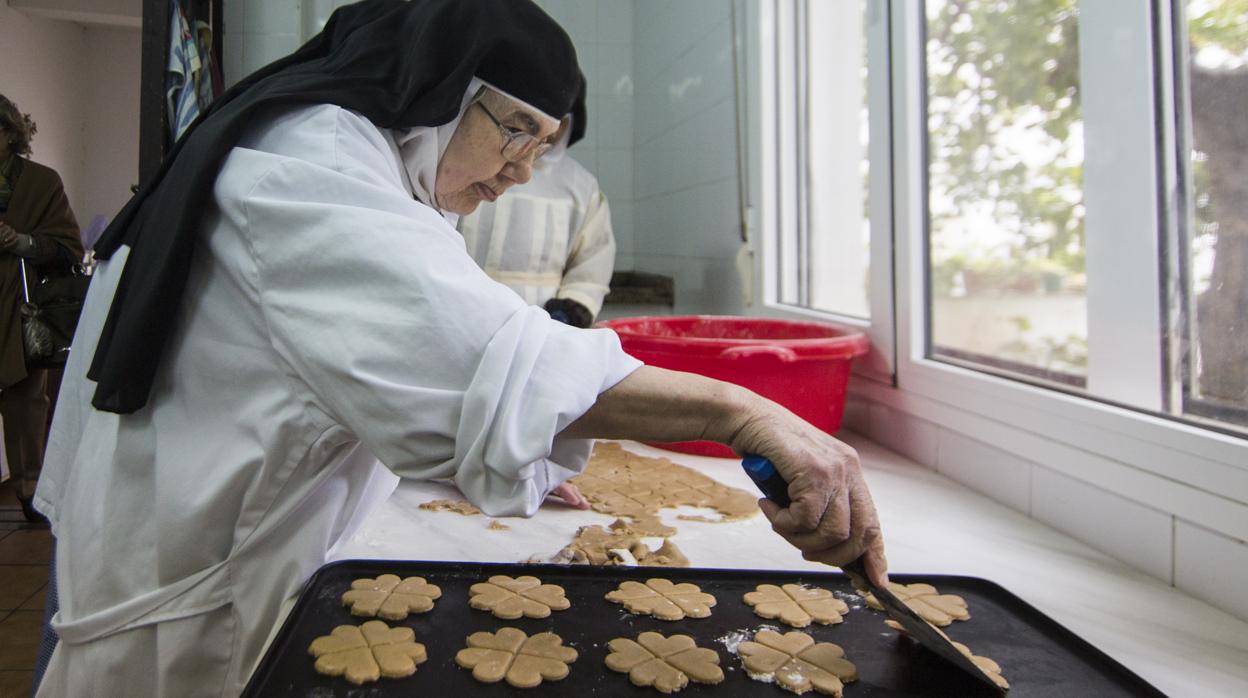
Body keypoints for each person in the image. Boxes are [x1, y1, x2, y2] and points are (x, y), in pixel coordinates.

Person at [33, 1, 886, 695]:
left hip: (203, 560)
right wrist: (742, 410)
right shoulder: (310, 163)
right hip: (184, 622)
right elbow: (480, 355)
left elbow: (372, 368)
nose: (522, 170)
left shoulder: (337, 154)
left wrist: (533, 435)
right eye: (517, 129)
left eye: (543, 147)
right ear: (438, 87)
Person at [457, 85, 615, 328]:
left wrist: (569, 312)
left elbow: (592, 263)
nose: (520, 174)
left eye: (558, 122)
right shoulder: (475, 165)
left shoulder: (581, 187)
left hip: (544, 330)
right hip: (464, 317)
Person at [0, 94, 83, 524]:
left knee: (26, 399)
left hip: (21, 305)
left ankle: (30, 489)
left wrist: (21, 242)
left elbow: (69, 248)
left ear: (11, 133)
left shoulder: (40, 183)